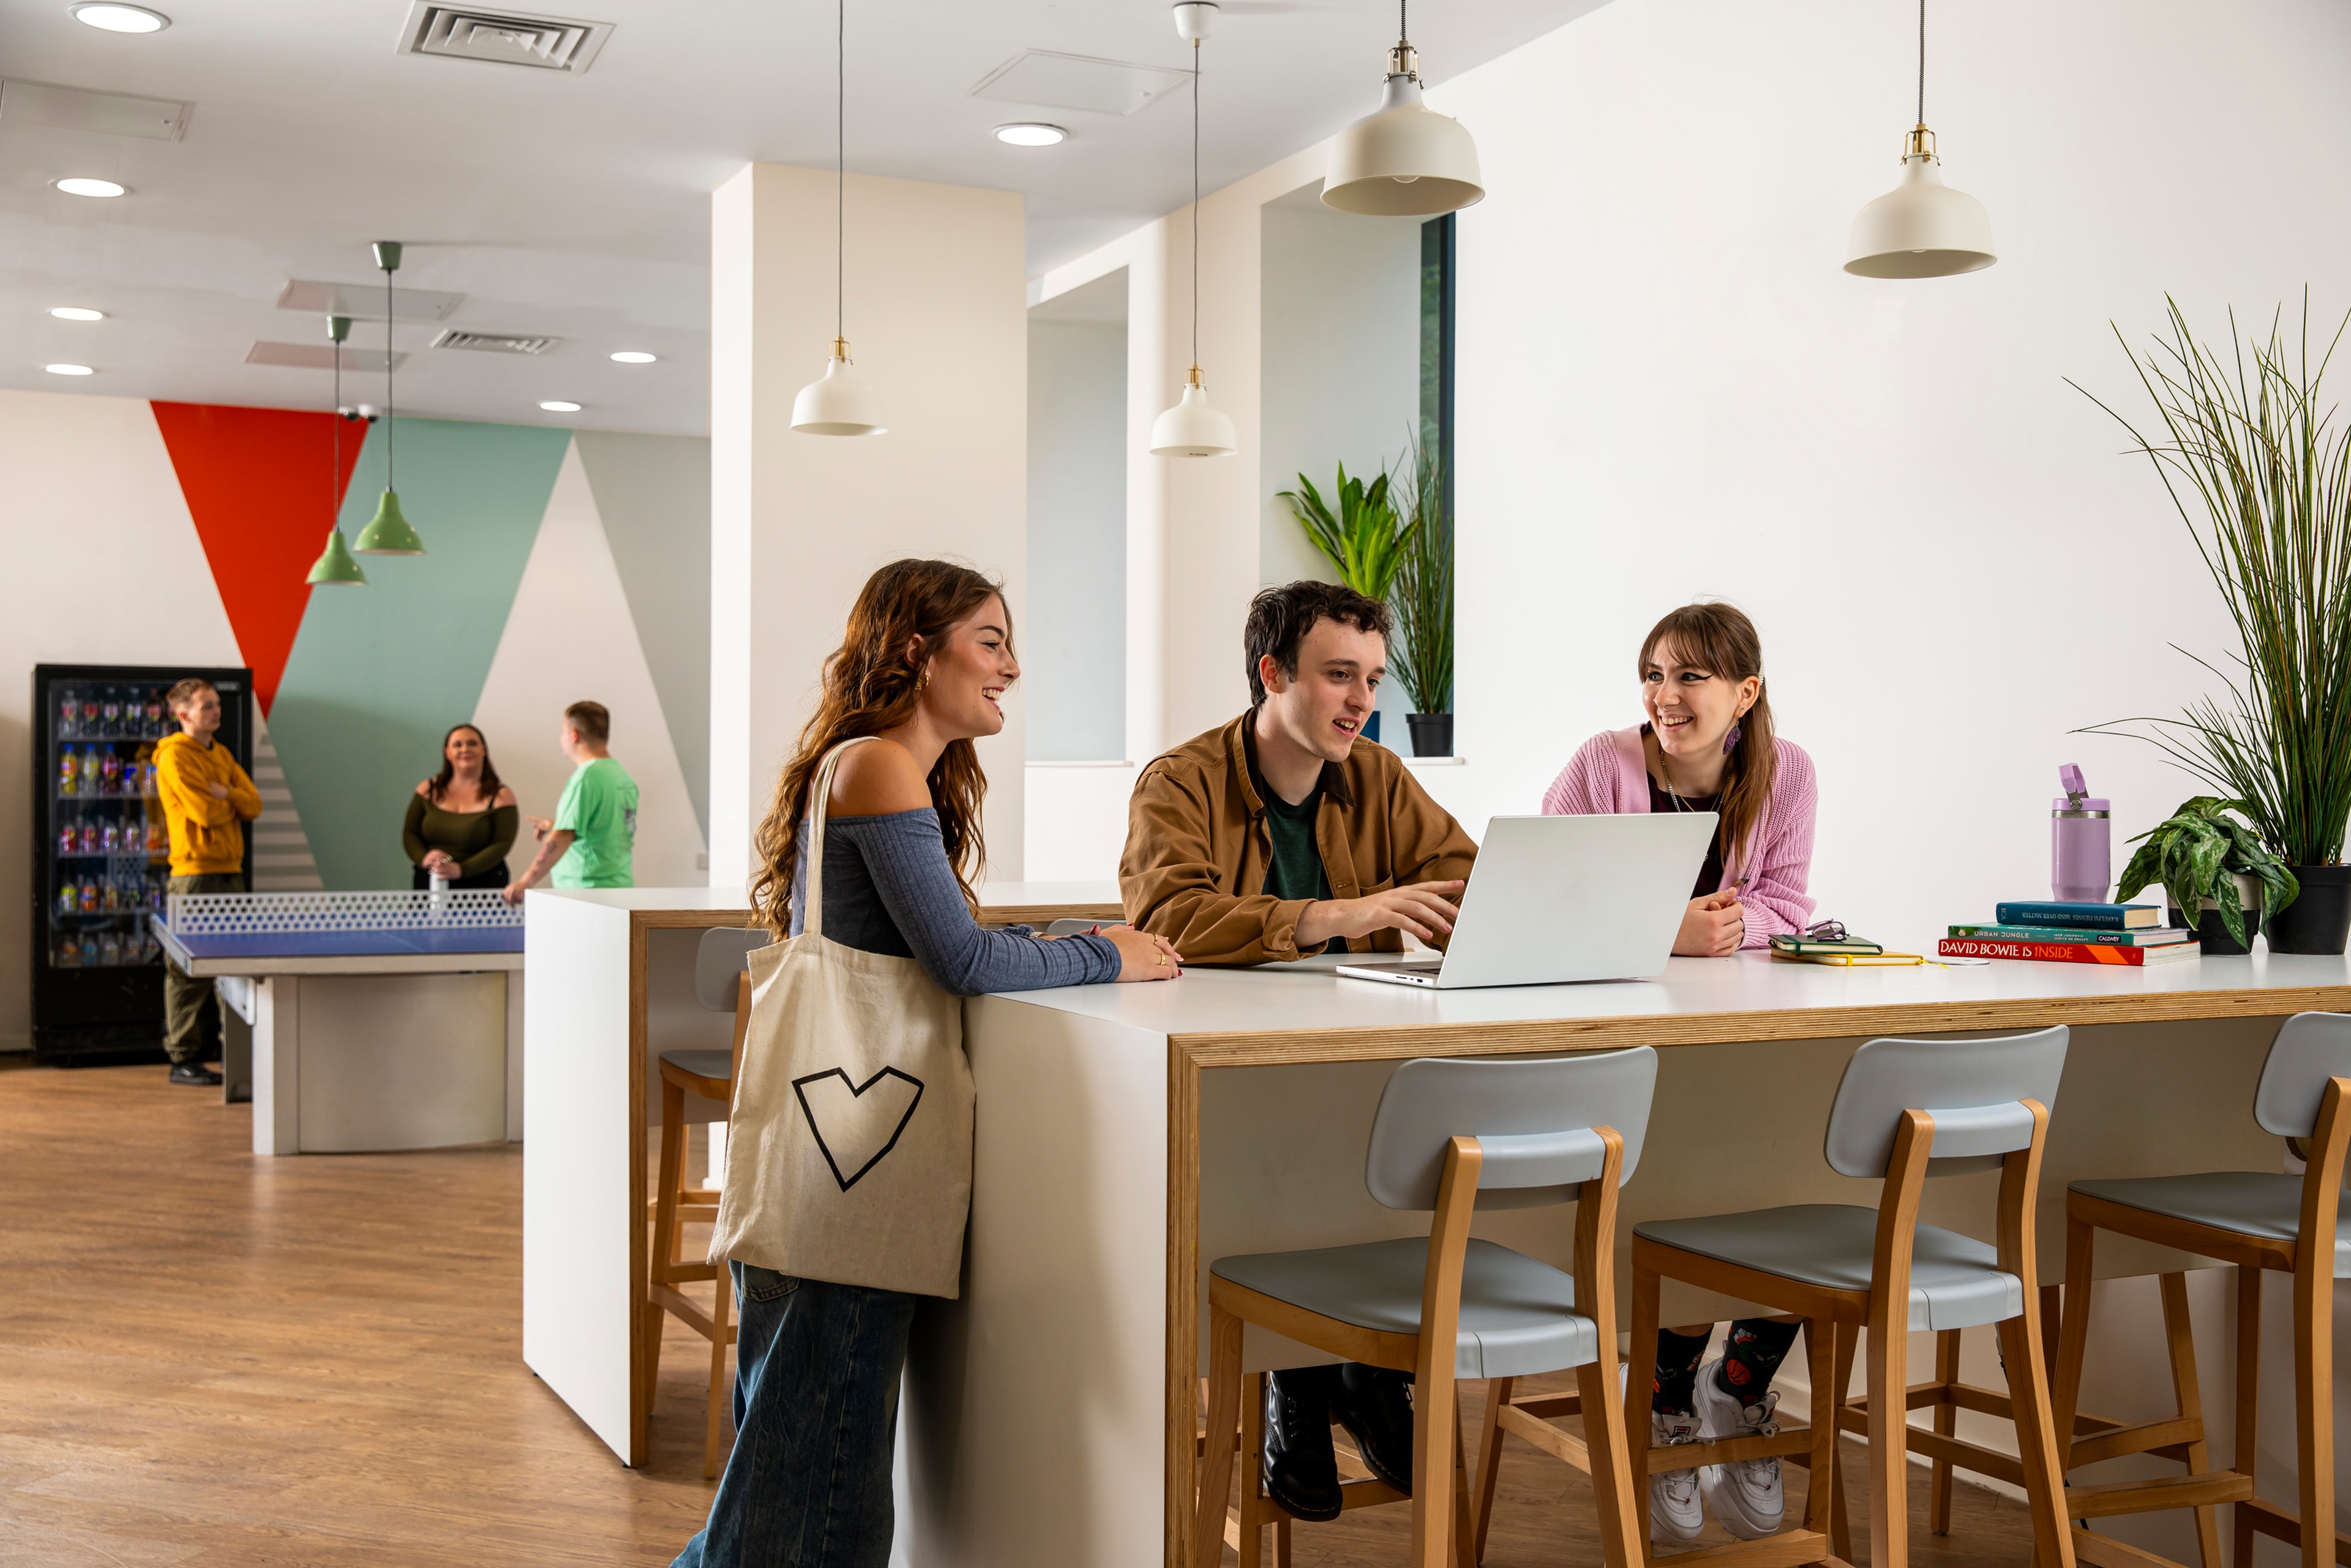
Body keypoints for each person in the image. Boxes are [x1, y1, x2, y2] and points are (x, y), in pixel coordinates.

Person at [670, 559, 1179, 1568]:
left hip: (825, 1182)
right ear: (917, 647)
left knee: (794, 1492)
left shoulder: (876, 769)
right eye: (990, 640)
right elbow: (962, 961)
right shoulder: (878, 766)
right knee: (813, 1516)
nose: (1013, 666)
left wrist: (1070, 941)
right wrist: (1107, 953)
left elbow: (935, 944)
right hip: (846, 1187)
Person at [1120, 579, 1477, 1522]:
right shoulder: (1179, 780)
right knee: (1299, 1164)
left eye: (1371, 678)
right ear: (1273, 673)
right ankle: (1305, 1377)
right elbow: (1167, 919)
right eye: (1337, 676)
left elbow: (1470, 880)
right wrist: (1333, 913)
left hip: (1351, 1075)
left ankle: (1352, 1369)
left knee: (1405, 1139)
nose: (1362, 701)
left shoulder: (1380, 777)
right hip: (1228, 1080)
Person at [1541, 601, 1818, 1551]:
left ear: (1745, 693)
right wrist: (1675, 934)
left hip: (1740, 1035)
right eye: (1654, 674)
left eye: (1691, 677)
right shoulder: (1601, 763)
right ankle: (1667, 1402)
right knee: (1675, 1198)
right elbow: (1545, 897)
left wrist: (1721, 936)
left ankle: (1740, 1387)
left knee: (1793, 1182)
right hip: (1620, 1043)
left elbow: (1785, 900)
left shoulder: (1788, 774)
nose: (1666, 695)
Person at [152, 677, 261, 1087]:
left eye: (217, 704)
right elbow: (204, 812)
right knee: (185, 972)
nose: (217, 711)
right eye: (207, 707)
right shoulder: (174, 757)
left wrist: (228, 794)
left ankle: (233, 1053)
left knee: (233, 967)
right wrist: (228, 798)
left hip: (230, 872)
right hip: (194, 876)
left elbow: (253, 805)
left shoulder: (223, 753)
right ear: (183, 715)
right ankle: (183, 1057)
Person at [503, 701, 636, 904]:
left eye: (562, 731)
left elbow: (564, 835)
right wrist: (555, 826)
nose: (561, 738)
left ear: (574, 735)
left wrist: (526, 881)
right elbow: (605, 829)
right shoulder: (622, 776)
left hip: (587, 893)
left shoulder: (586, 778)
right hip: (620, 889)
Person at [403, 724, 519, 890]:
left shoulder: (502, 796)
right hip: (429, 883)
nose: (465, 749)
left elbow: (501, 844)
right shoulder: (427, 789)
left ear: (484, 750)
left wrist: (461, 870)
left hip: (483, 888)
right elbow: (410, 833)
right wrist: (424, 857)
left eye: (472, 743)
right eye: (458, 745)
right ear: (448, 753)